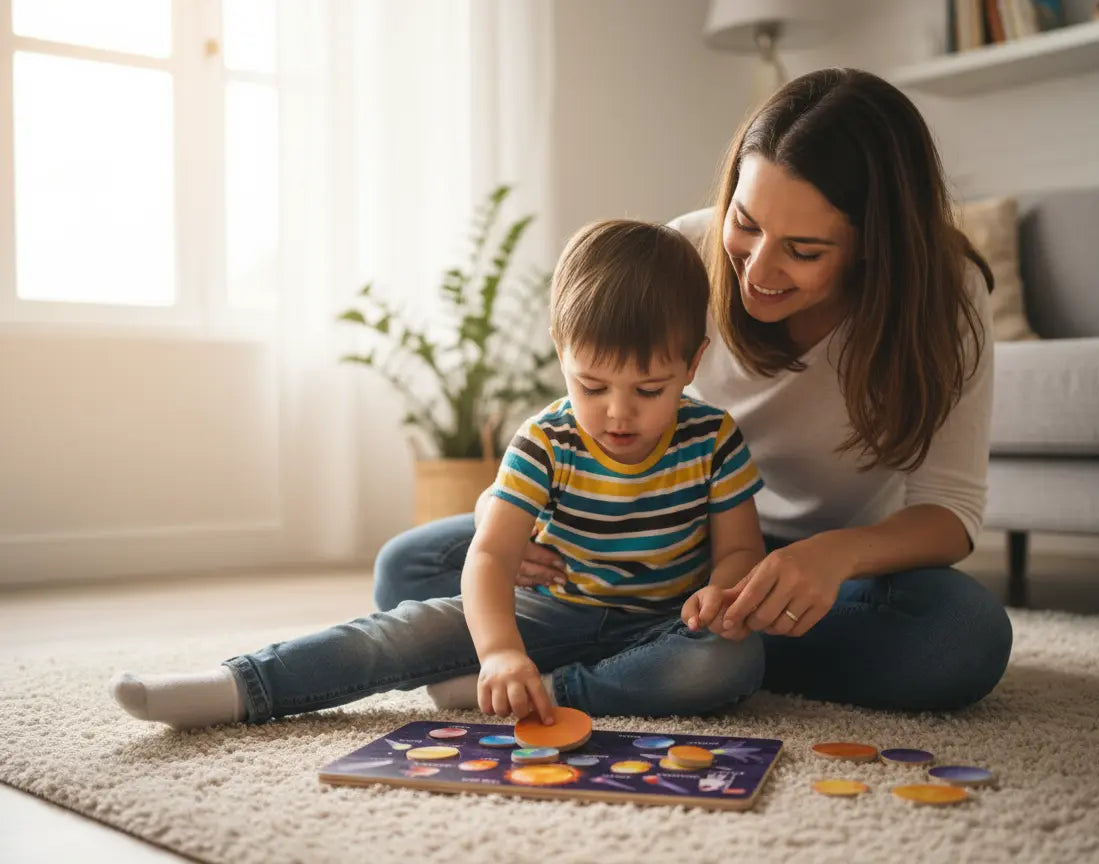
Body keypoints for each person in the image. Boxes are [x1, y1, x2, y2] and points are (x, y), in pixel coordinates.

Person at [374, 68, 1014, 713]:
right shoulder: (683, 253)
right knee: (410, 567)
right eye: (746, 223)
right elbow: (583, 413)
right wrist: (504, 511)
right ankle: (683, 657)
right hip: (648, 543)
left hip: (821, 576)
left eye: (804, 251)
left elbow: (951, 511)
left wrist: (834, 556)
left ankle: (639, 658)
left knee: (960, 636)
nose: (758, 269)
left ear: (874, 246)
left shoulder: (945, 297)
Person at [109, 219, 769, 730]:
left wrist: (721, 593)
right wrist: (500, 651)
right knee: (402, 632)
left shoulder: (712, 439)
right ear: (560, 350)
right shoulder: (547, 441)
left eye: (649, 390)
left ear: (692, 365)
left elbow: (740, 549)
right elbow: (490, 557)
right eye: (591, 385)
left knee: (731, 660)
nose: (618, 413)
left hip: (662, 626)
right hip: (551, 611)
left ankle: (547, 691)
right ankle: (240, 686)